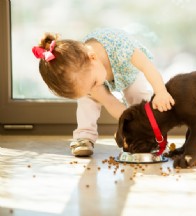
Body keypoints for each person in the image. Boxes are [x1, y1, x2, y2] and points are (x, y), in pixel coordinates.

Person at [32, 27, 175, 157]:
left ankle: (149, 136)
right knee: (87, 101)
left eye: (92, 84)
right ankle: (84, 136)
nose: (92, 90)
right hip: (96, 73)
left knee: (138, 95)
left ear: (93, 57)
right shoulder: (85, 73)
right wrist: (127, 126)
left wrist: (161, 91)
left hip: (128, 70)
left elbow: (147, 66)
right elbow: (110, 102)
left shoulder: (122, 49)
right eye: (86, 89)